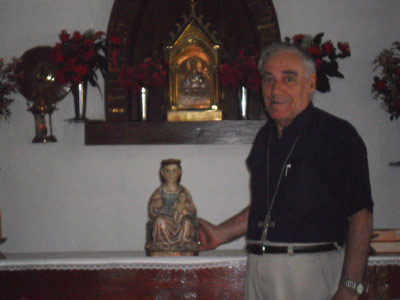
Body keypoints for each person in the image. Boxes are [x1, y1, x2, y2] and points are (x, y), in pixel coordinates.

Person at [198, 43, 373, 300]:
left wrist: (350, 287)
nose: (275, 89)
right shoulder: (265, 137)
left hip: (310, 270)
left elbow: (361, 214)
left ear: (311, 83)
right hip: (259, 268)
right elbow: (267, 207)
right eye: (269, 79)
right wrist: (219, 234)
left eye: (288, 79)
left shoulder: (337, 135)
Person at [146, 159, 198, 255]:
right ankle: (164, 245)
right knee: (160, 221)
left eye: (174, 171)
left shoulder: (184, 191)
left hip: (180, 220)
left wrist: (186, 211)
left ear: (179, 172)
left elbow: (193, 210)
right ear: (162, 172)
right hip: (166, 221)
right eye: (167, 171)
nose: (171, 175)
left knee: (187, 223)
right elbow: (152, 211)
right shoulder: (160, 191)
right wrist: (156, 207)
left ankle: (184, 244)